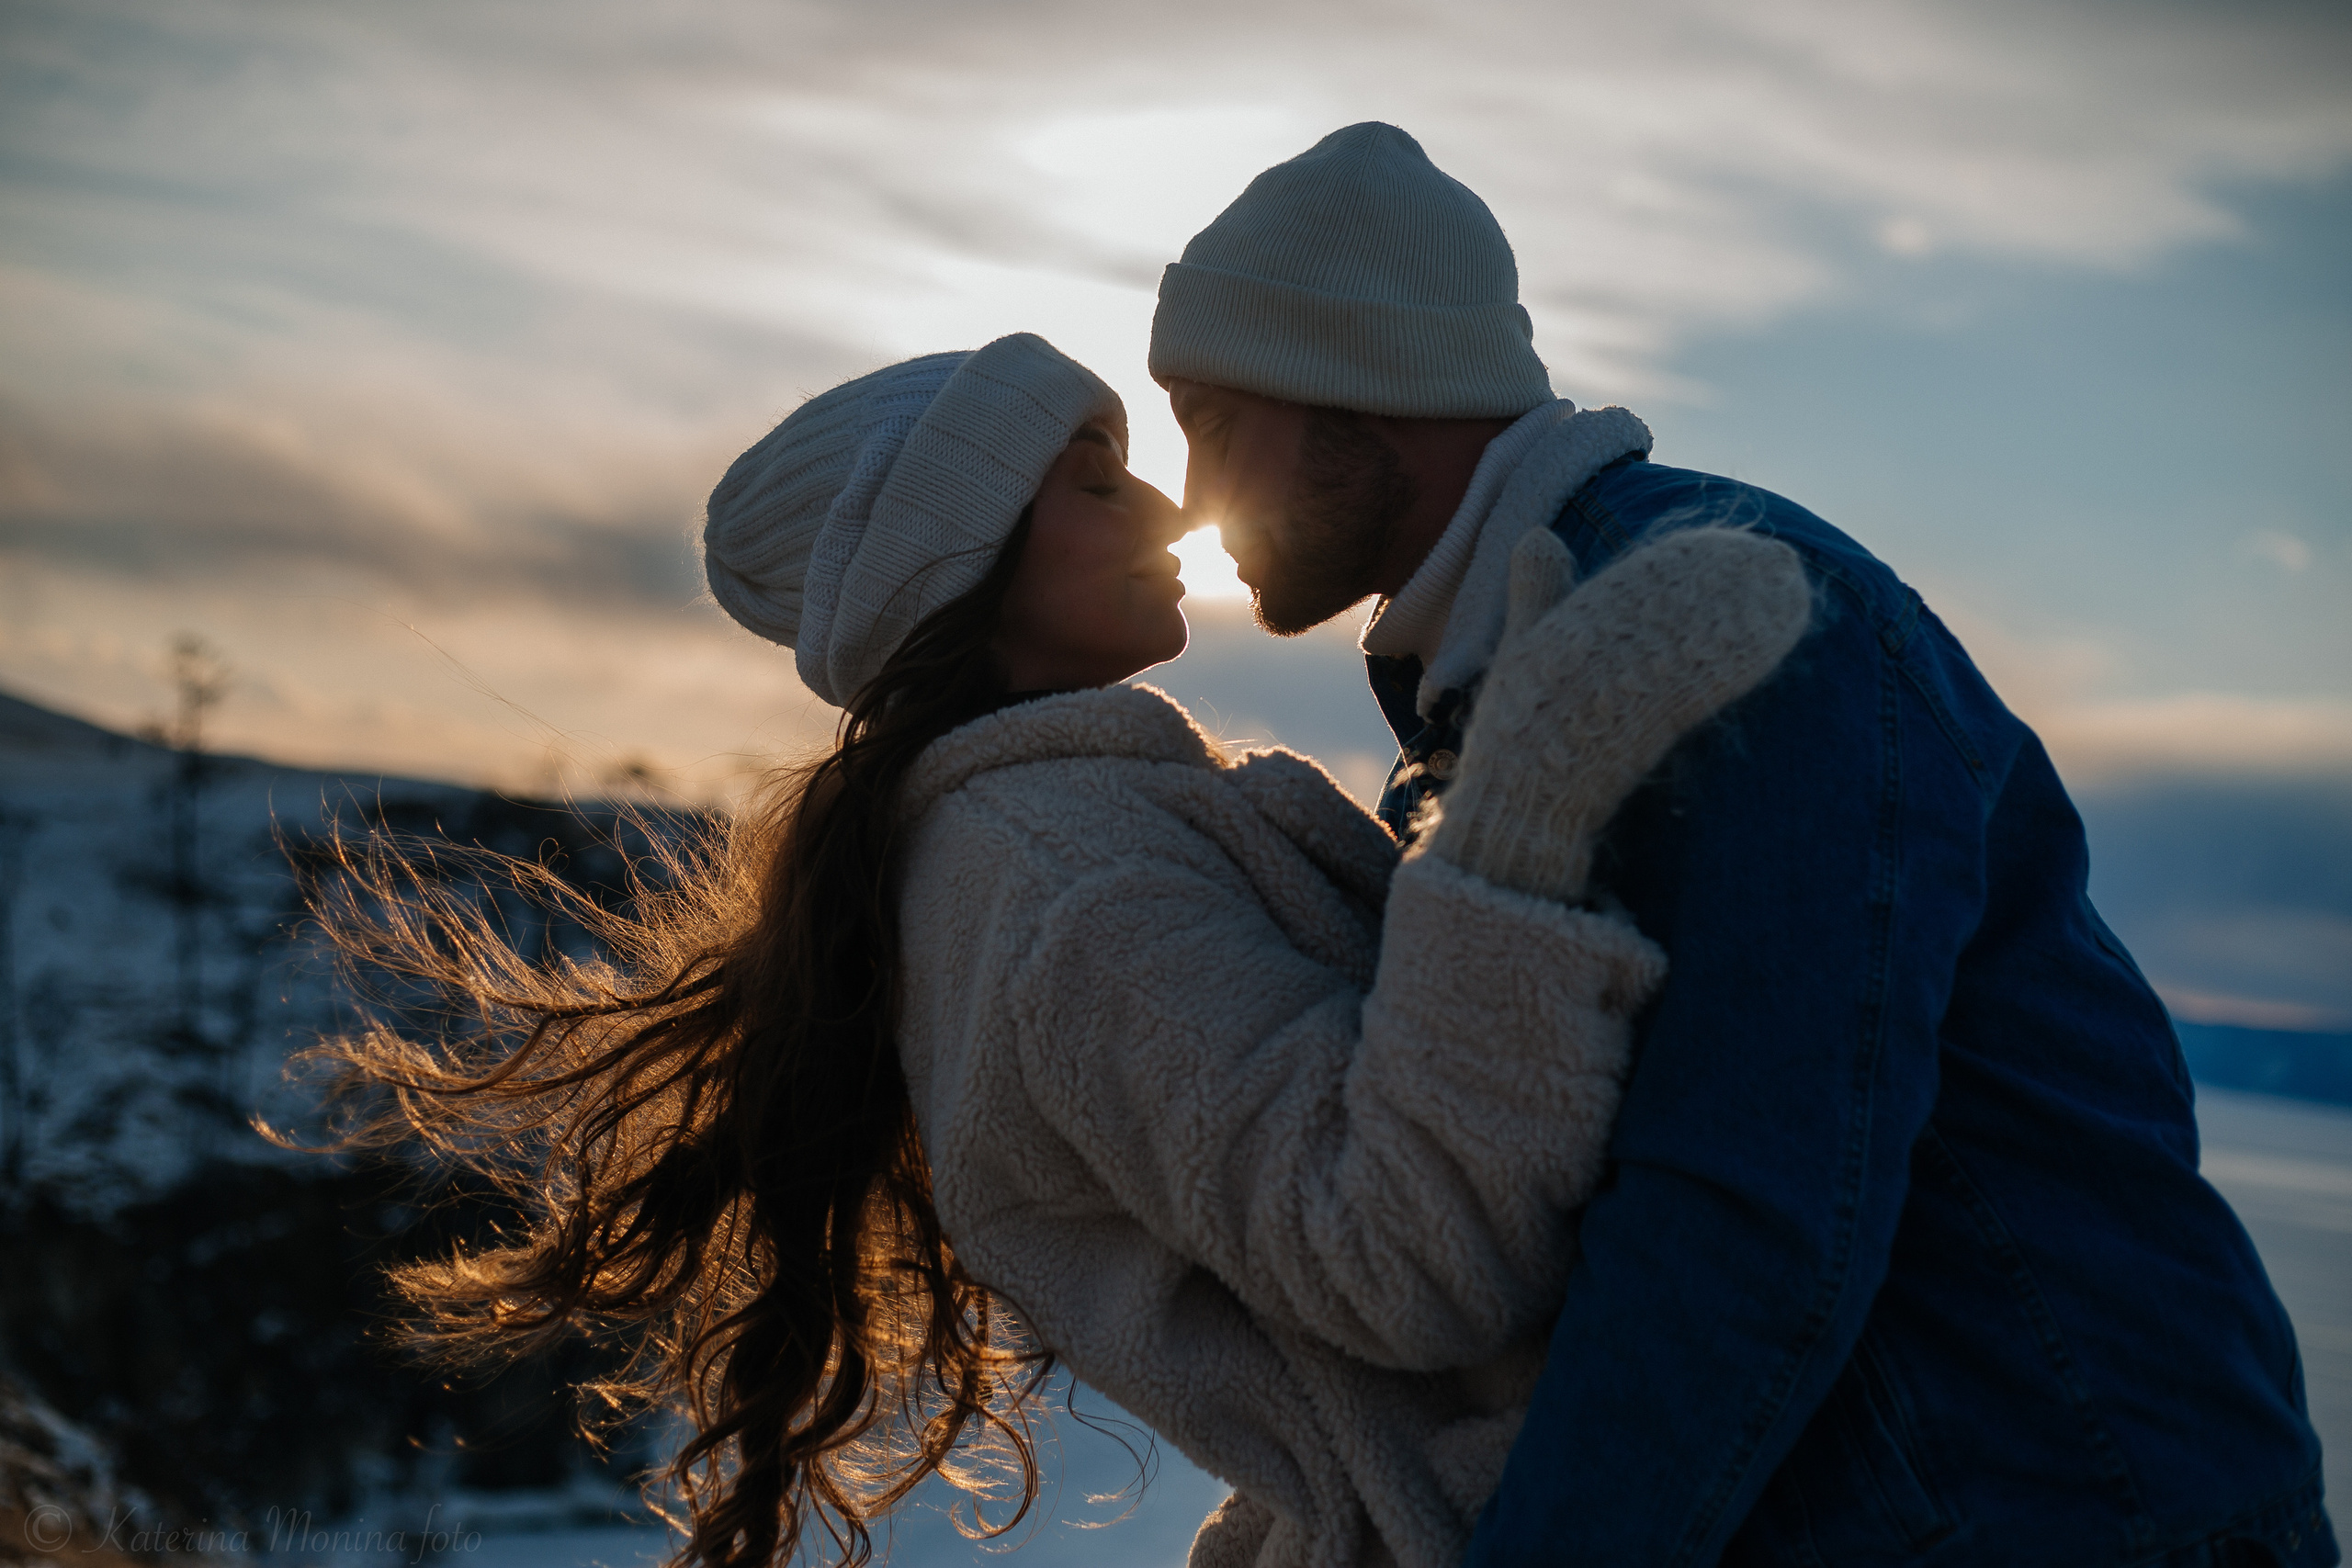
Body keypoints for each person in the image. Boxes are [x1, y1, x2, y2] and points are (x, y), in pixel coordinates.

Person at [307, 332, 1811, 1568]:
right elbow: (1409, 1260)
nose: (1171, 513)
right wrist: (1526, 818)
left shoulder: (1055, 840)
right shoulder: (1062, 890)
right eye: (1098, 485)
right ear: (962, 571)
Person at [1148, 121, 2336, 1565]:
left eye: (1210, 423)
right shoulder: (1512, 669)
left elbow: (1746, 1214)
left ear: (1356, 385)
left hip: (2059, 1505)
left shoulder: (1718, 625)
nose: (1191, 492)